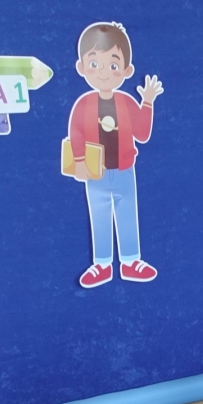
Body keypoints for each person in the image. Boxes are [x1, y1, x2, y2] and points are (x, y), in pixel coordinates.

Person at [65, 22, 162, 288]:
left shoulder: (126, 102)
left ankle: (130, 261)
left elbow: (142, 133)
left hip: (124, 169)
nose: (104, 73)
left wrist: (148, 102)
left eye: (113, 65)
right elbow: (76, 133)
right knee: (98, 215)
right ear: (81, 68)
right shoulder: (83, 104)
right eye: (94, 64)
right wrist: (80, 161)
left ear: (127, 70)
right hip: (94, 171)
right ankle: (102, 264)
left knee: (127, 213)